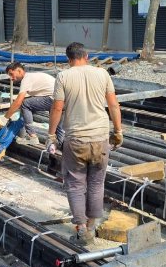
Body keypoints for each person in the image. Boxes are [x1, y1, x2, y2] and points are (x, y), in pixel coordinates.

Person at [48, 42, 123, 245]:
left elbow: (57, 108)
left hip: (76, 139)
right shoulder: (102, 74)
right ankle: (91, 226)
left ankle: (81, 230)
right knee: (97, 183)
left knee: (75, 184)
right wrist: (118, 131)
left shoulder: (63, 76)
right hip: (100, 138)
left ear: (68, 59)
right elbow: (113, 105)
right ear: (87, 56)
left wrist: (51, 135)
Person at [0, 62, 62, 145]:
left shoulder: (26, 79)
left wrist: (5, 118)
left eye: (11, 74)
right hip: (62, 99)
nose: (11, 78)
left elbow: (18, 102)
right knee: (58, 123)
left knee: (25, 104)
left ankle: (32, 137)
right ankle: (61, 144)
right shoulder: (32, 77)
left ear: (19, 71)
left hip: (53, 98)